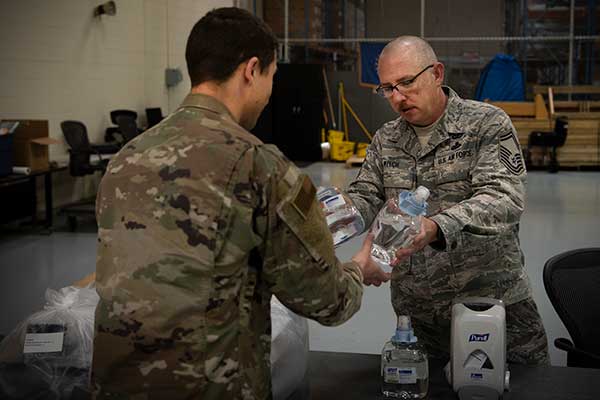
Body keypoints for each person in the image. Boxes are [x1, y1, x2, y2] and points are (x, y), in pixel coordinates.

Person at [91, 7, 388, 399]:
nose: (269, 94)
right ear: (251, 70)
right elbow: (326, 300)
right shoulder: (258, 165)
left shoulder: (125, 157)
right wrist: (357, 269)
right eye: (271, 78)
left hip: (116, 384)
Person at [346, 36, 549, 364]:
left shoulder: (486, 124)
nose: (398, 97)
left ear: (437, 73)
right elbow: (365, 195)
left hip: (492, 311)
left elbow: (503, 198)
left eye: (407, 82)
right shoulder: (387, 138)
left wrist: (434, 227)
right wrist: (334, 214)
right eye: (387, 88)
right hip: (419, 322)